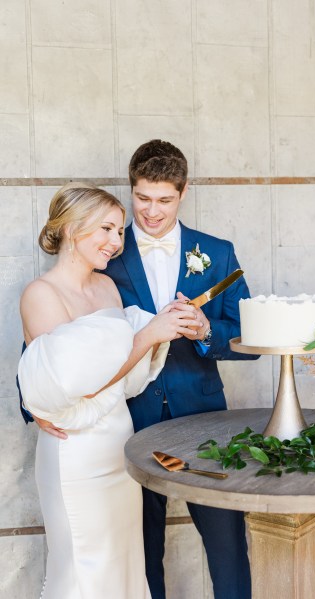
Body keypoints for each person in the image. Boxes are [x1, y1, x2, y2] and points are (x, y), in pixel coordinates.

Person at [30, 140, 258, 599]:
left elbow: (249, 338)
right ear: (131, 188)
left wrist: (204, 330)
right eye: (142, 197)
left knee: (228, 545)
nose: (151, 212)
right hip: (126, 423)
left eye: (164, 200)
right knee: (139, 552)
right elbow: (46, 343)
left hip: (202, 422)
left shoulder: (217, 251)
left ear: (184, 192)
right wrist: (35, 405)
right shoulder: (104, 247)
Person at [18, 184, 201, 598]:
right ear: (70, 228)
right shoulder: (40, 294)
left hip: (119, 442)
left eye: (120, 231)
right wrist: (149, 333)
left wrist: (161, 331)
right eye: (106, 229)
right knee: (83, 566)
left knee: (123, 564)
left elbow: (125, 374)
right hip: (75, 451)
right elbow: (74, 383)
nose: (116, 243)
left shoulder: (107, 289)